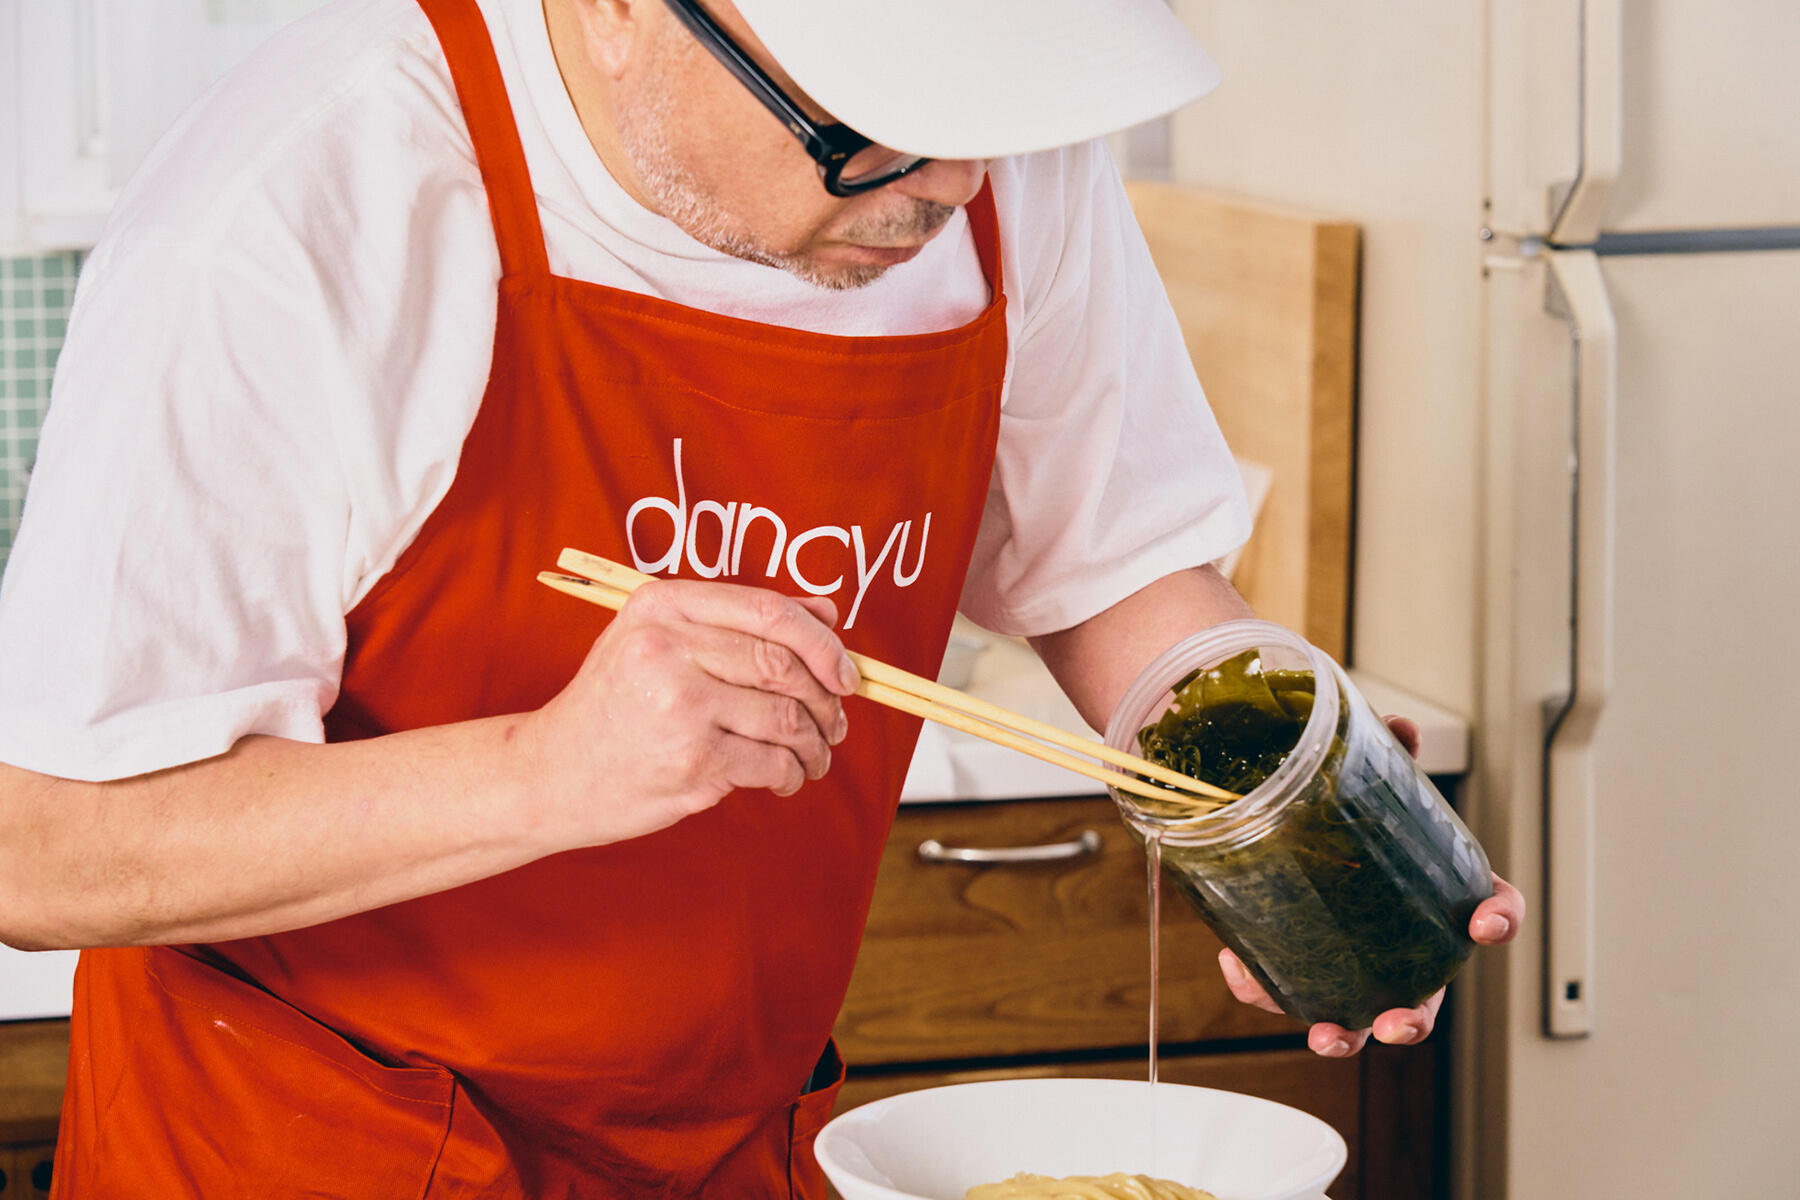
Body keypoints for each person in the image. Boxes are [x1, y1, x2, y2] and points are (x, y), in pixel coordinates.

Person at [0, 0, 1524, 1195]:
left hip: (729, 1138)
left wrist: (1284, 823)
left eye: (985, 127)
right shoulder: (313, 197)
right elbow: (44, 847)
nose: (952, 187)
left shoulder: (982, 156)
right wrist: (548, 772)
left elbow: (1113, 556)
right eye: (868, 130)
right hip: (305, 1150)